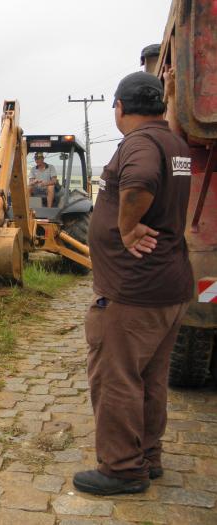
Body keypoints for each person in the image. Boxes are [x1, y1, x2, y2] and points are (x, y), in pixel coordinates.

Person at [73, 71, 193, 495]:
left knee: (117, 378)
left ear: (120, 108)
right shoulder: (174, 141)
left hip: (132, 293)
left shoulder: (139, 144)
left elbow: (140, 181)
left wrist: (125, 229)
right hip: (168, 287)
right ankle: (148, 456)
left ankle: (122, 469)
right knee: (149, 379)